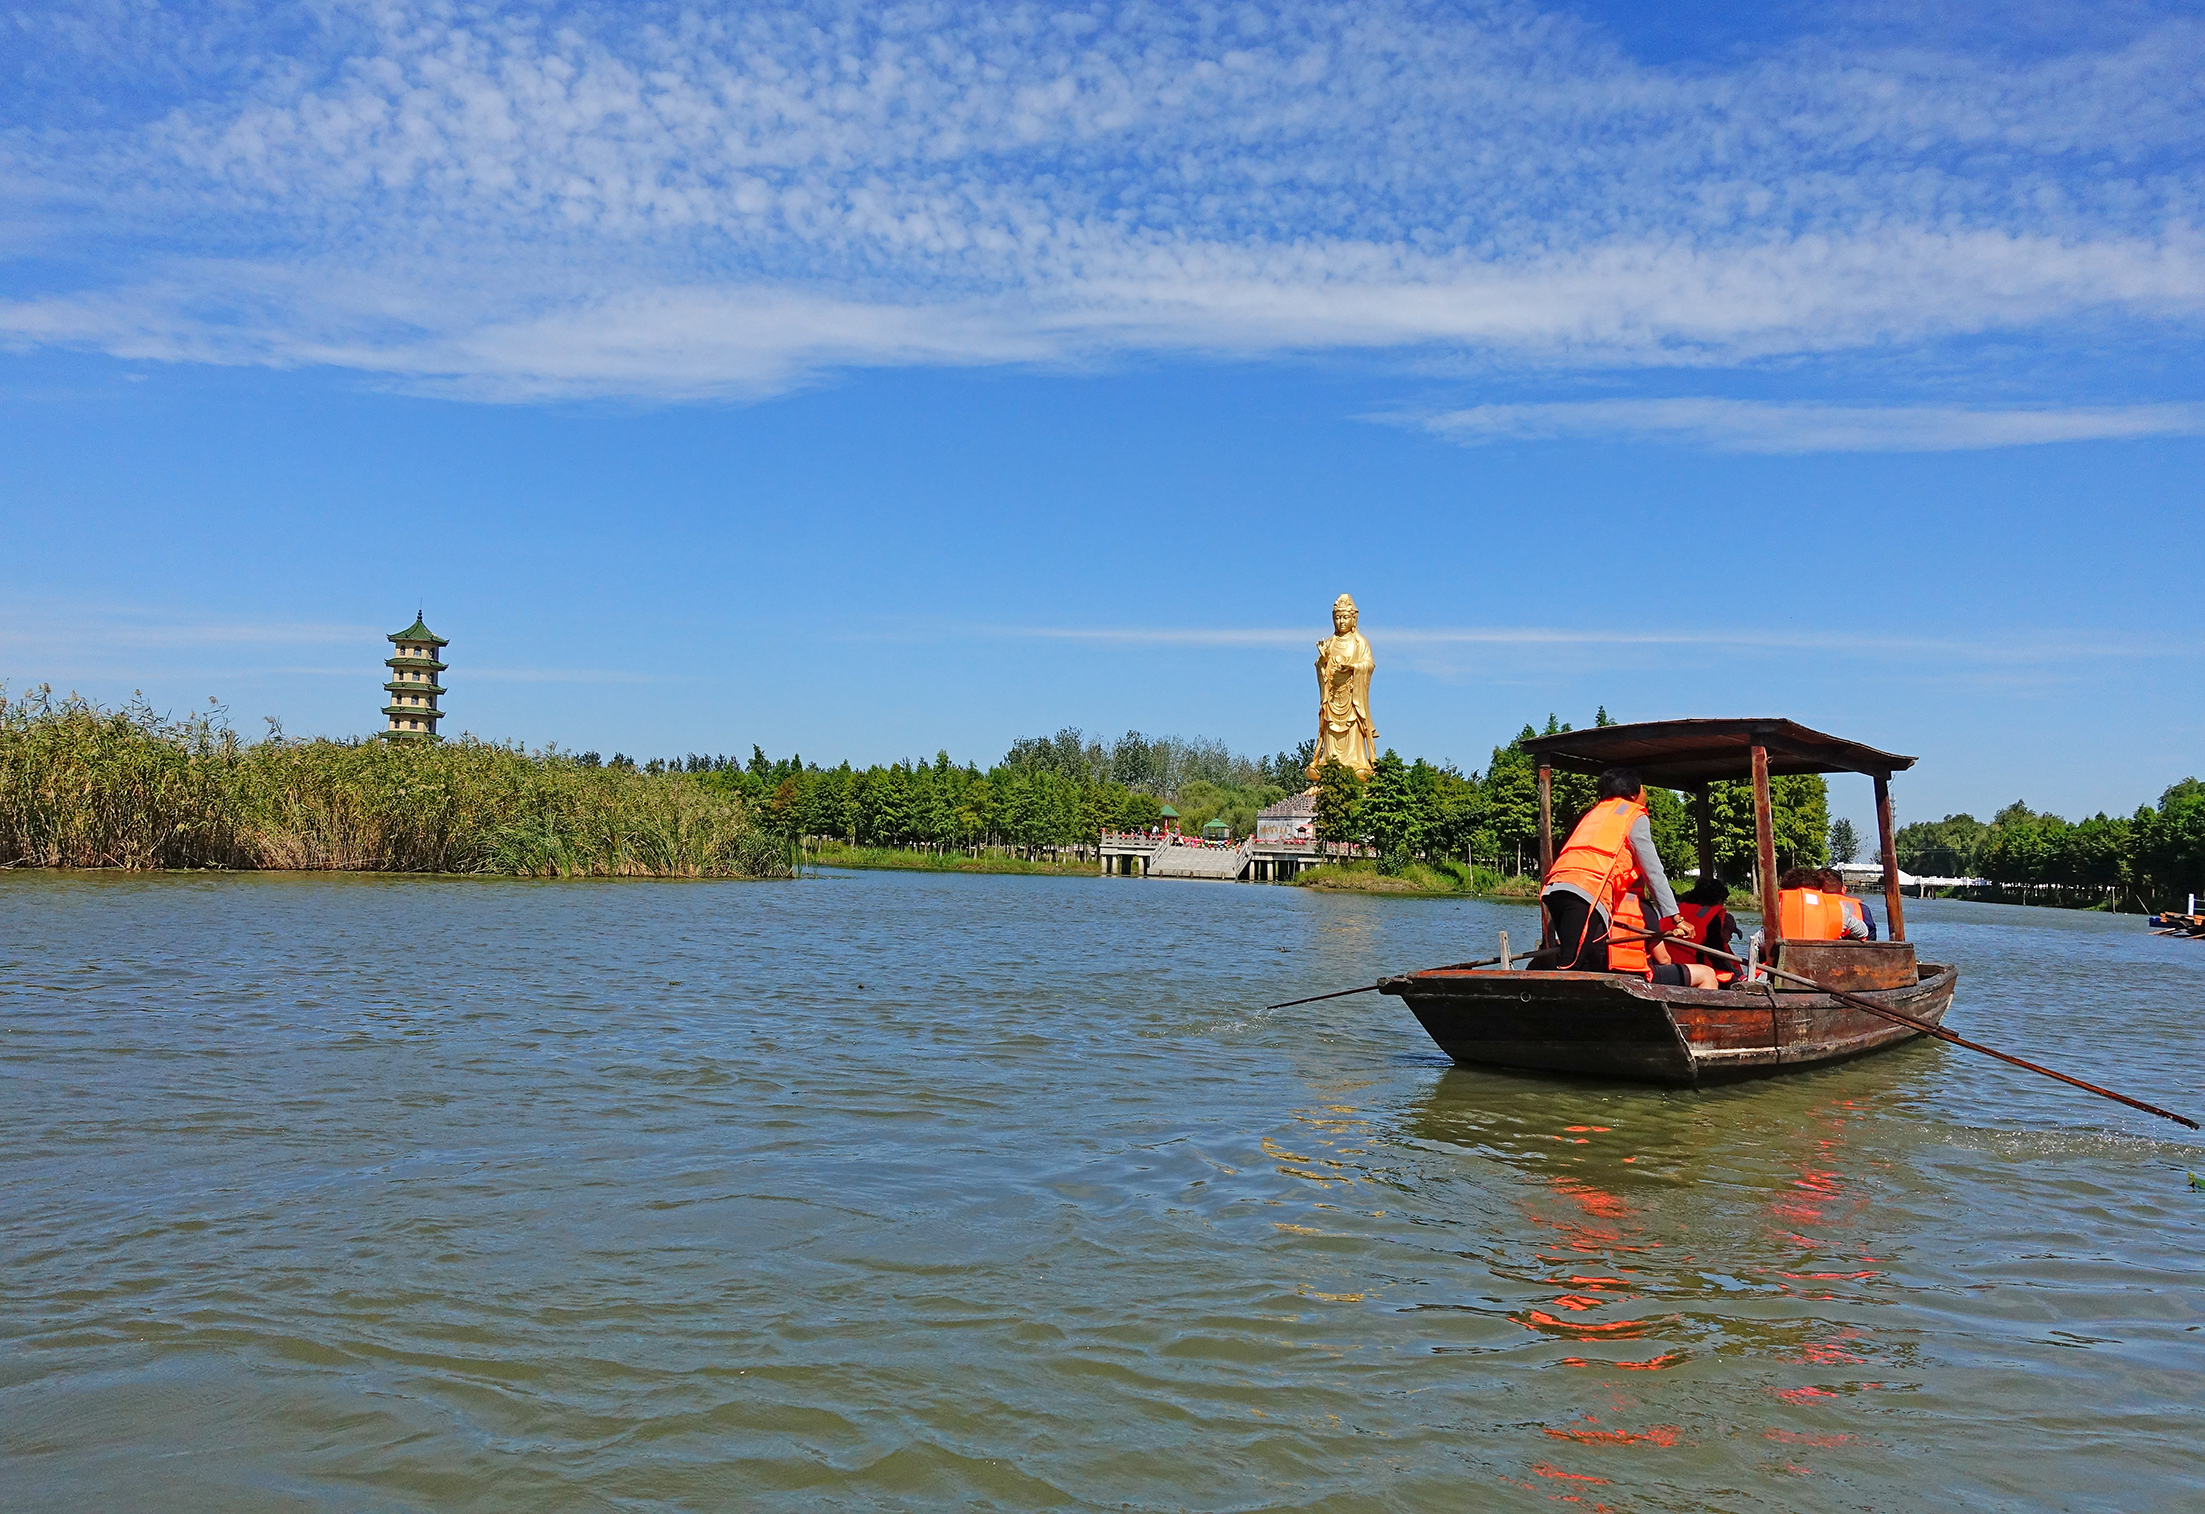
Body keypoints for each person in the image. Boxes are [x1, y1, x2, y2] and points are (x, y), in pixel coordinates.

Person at [1540, 767, 1710, 987]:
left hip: (1555, 887)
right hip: (1586, 891)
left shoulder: (1596, 813)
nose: (1645, 795)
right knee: (1570, 965)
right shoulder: (1632, 814)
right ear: (1633, 794)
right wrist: (1676, 917)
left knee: (1575, 959)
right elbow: (1653, 871)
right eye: (1643, 789)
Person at [1672, 876, 1743, 983]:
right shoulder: (1711, 917)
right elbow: (1716, 954)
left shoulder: (1675, 910)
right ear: (1719, 899)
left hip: (1665, 963)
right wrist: (1739, 976)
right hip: (1688, 970)